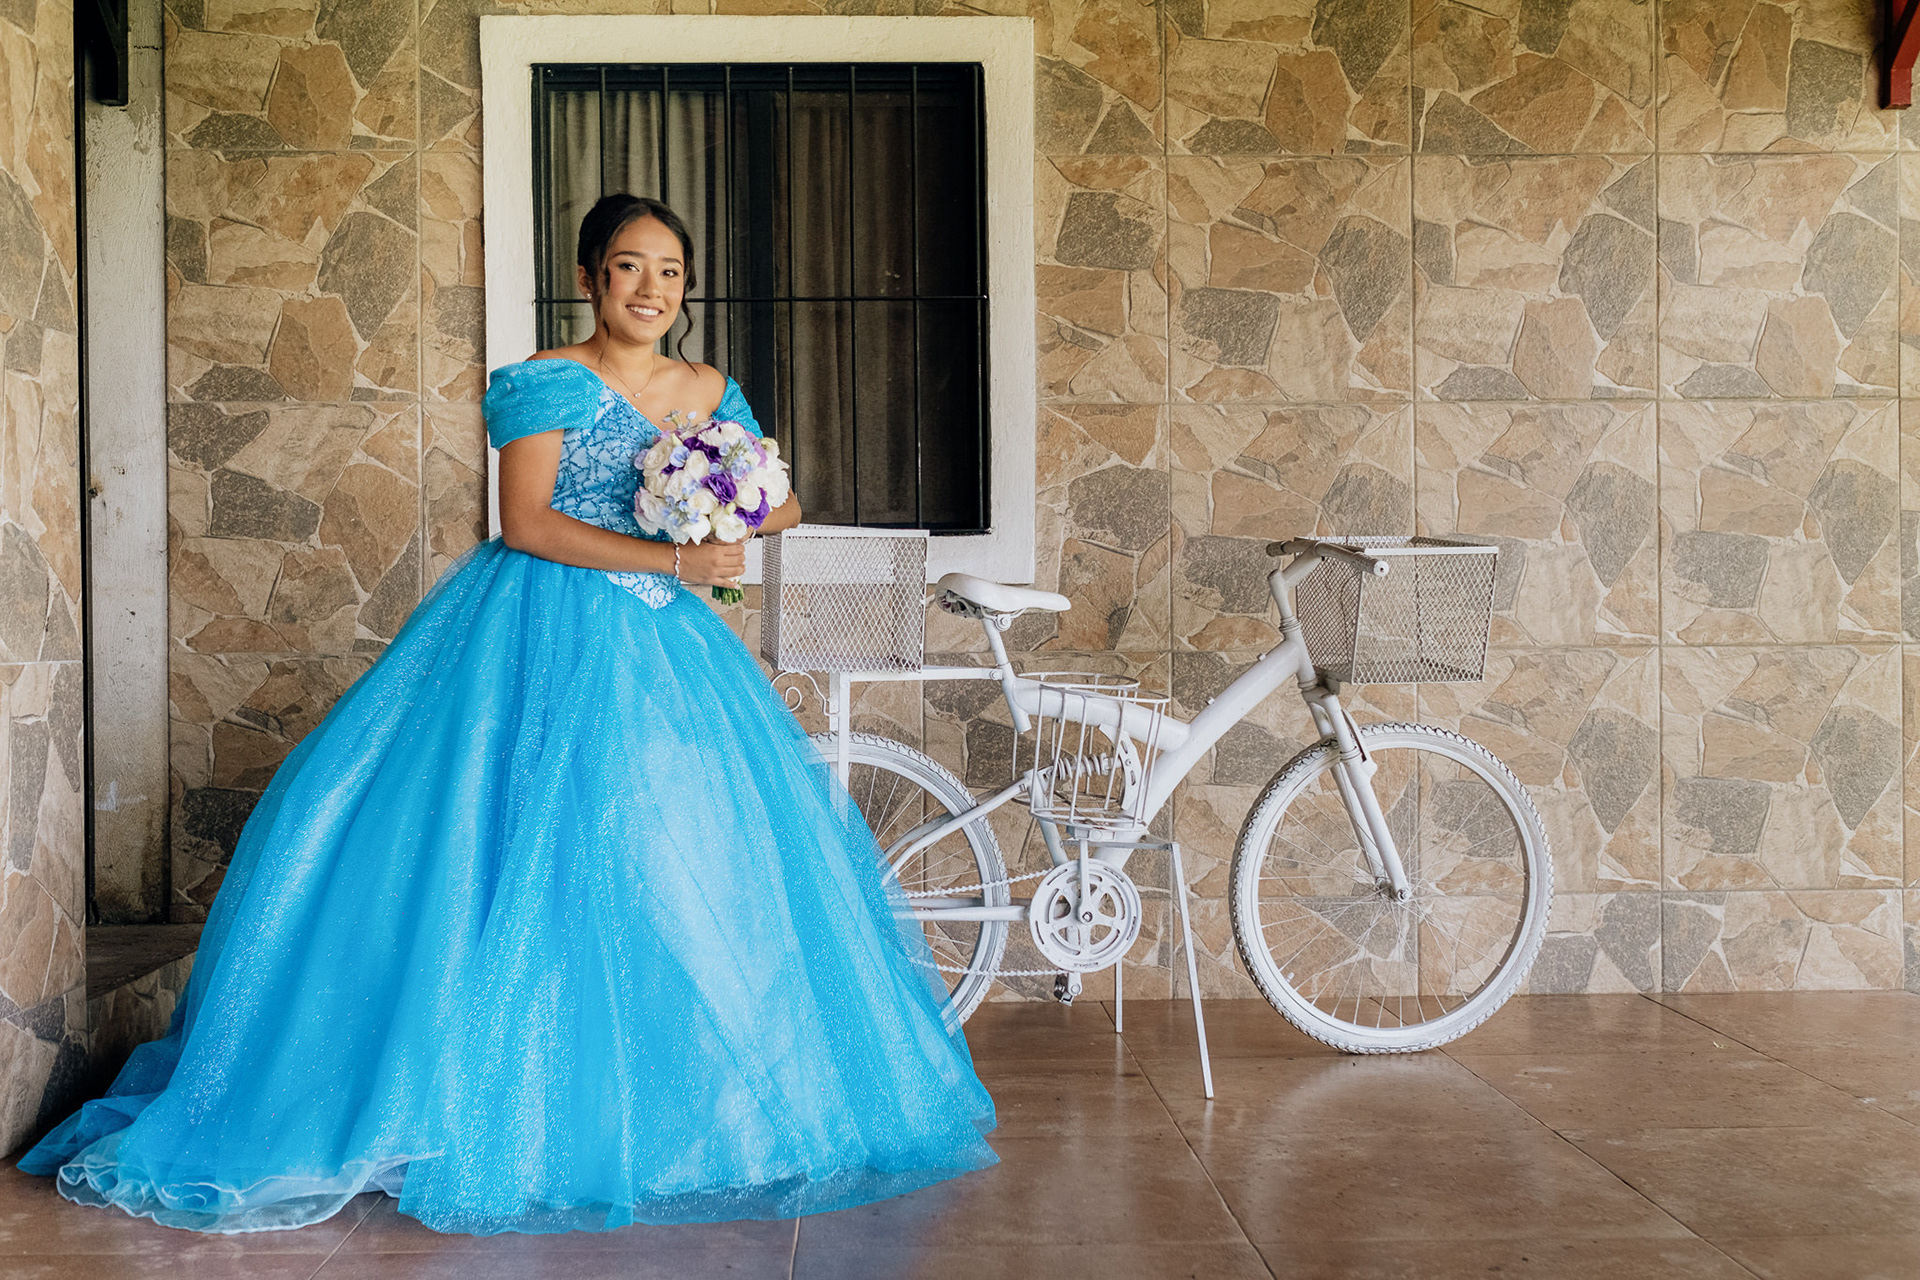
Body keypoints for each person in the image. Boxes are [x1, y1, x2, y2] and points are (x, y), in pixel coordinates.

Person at [17, 193, 999, 1234]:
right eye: (629, 267)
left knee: (666, 854)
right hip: (536, 626)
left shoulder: (712, 390)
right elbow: (526, 523)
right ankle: (474, 1112)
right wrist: (675, 555)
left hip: (666, 646)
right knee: (502, 844)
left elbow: (782, 501)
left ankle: (676, 1117)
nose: (651, 289)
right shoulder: (546, 381)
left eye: (670, 271)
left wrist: (727, 503)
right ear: (588, 278)